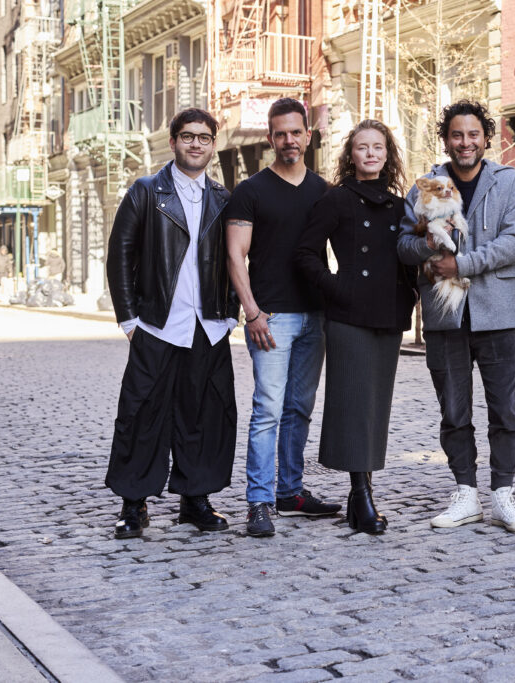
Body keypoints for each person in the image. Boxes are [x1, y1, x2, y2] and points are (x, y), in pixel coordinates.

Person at [397, 100, 515, 533]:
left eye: (473, 135)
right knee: (453, 409)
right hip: (445, 313)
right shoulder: (425, 186)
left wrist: (462, 263)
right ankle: (466, 493)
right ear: (446, 139)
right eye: (457, 135)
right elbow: (402, 245)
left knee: (505, 410)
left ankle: (504, 494)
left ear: (485, 138)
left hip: (498, 311)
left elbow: (514, 242)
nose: (465, 143)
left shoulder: (509, 182)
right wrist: (429, 247)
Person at [105, 108, 238, 539]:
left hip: (209, 326)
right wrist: (129, 319)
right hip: (157, 324)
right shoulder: (146, 192)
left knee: (203, 414)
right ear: (173, 141)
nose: (195, 144)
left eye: (203, 138)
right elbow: (120, 256)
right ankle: (133, 504)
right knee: (141, 413)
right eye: (187, 136)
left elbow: (238, 259)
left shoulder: (223, 197)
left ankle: (195, 500)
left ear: (213, 145)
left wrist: (231, 312)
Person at [226, 98, 340, 538]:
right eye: (280, 133)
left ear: (308, 136)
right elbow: (235, 255)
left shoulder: (324, 191)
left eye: (296, 132)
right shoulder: (251, 190)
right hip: (270, 318)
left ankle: (290, 492)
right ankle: (258, 501)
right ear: (270, 138)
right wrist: (251, 311)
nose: (289, 140)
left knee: (300, 408)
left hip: (315, 317)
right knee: (268, 410)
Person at [294, 120, 416, 534]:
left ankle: (359, 493)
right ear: (352, 154)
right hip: (348, 317)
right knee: (353, 405)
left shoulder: (400, 206)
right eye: (362, 147)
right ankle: (361, 495)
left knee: (376, 407)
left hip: (389, 315)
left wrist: (413, 295)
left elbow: (410, 256)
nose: (370, 154)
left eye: (378, 147)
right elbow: (306, 254)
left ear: (387, 154)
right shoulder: (337, 200)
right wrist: (338, 289)